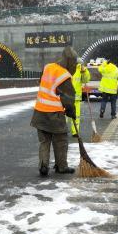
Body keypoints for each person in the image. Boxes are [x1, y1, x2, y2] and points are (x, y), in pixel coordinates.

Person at [31, 47, 78, 177]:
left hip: (40, 112)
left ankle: (43, 166)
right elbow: (68, 99)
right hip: (54, 114)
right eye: (74, 62)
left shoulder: (48, 67)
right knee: (61, 141)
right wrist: (71, 111)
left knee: (44, 141)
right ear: (70, 62)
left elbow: (43, 83)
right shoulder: (64, 75)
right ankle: (61, 166)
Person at [68, 58, 91, 138]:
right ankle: (62, 131)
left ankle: (75, 132)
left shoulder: (80, 69)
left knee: (76, 116)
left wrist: (84, 71)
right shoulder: (66, 68)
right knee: (64, 116)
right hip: (65, 96)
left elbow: (86, 80)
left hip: (75, 97)